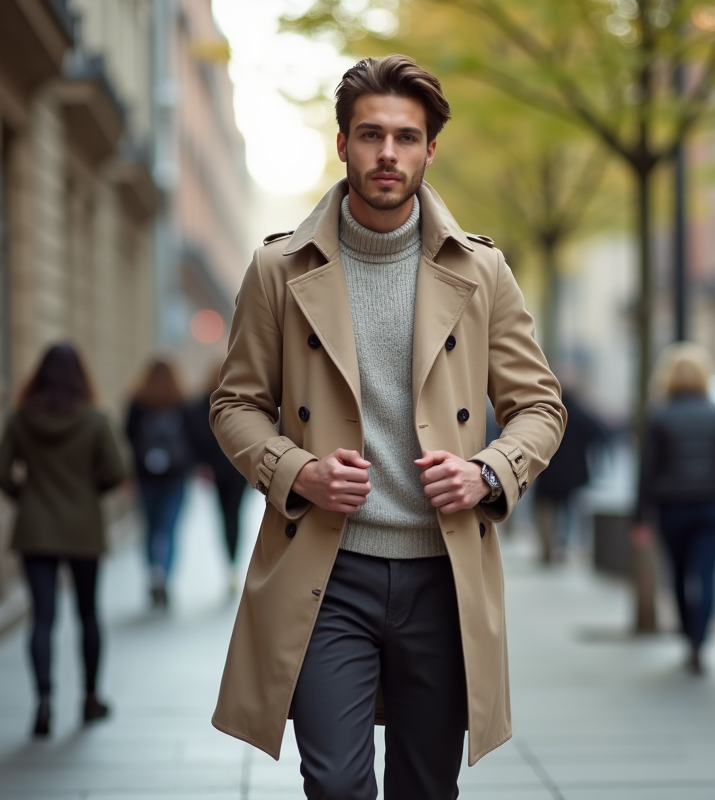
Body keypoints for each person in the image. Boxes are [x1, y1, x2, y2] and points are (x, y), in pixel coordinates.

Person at [208, 55, 566, 799]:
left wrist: (489, 471)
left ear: (431, 149)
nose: (388, 155)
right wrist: (294, 469)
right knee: (336, 784)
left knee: (425, 788)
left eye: (407, 138)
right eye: (371, 135)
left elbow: (539, 407)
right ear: (342, 143)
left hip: (443, 571)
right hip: (326, 572)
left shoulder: (482, 272)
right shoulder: (278, 269)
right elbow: (234, 405)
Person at [0, 343, 126, 738]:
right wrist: (88, 494)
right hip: (83, 528)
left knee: (42, 618)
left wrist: (26, 497)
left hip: (35, 530)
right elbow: (118, 470)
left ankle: (44, 702)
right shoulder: (96, 419)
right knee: (87, 614)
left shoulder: (21, 419)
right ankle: (90, 698)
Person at [632, 343, 715, 675]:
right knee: (707, 573)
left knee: (677, 573)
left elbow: (647, 470)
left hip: (673, 506)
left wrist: (641, 517)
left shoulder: (660, 417)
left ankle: (689, 633)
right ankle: (700, 640)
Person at [125, 359, 192, 609]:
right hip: (176, 477)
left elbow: (127, 439)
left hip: (145, 477)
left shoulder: (137, 403)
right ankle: (165, 575)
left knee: (150, 529)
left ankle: (153, 572)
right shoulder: (182, 402)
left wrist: (130, 475)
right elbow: (193, 440)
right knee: (170, 528)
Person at [185, 359, 247, 594]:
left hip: (218, 469)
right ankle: (232, 565)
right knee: (235, 515)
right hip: (240, 467)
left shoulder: (203, 403)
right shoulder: (241, 399)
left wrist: (202, 464)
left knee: (224, 516)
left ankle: (230, 564)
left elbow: (196, 436)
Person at [533, 385, 605, 563]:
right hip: (573, 475)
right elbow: (598, 432)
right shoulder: (580, 414)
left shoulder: (548, 415)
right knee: (568, 512)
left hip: (548, 472)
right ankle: (563, 546)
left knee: (546, 510)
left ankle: (548, 548)